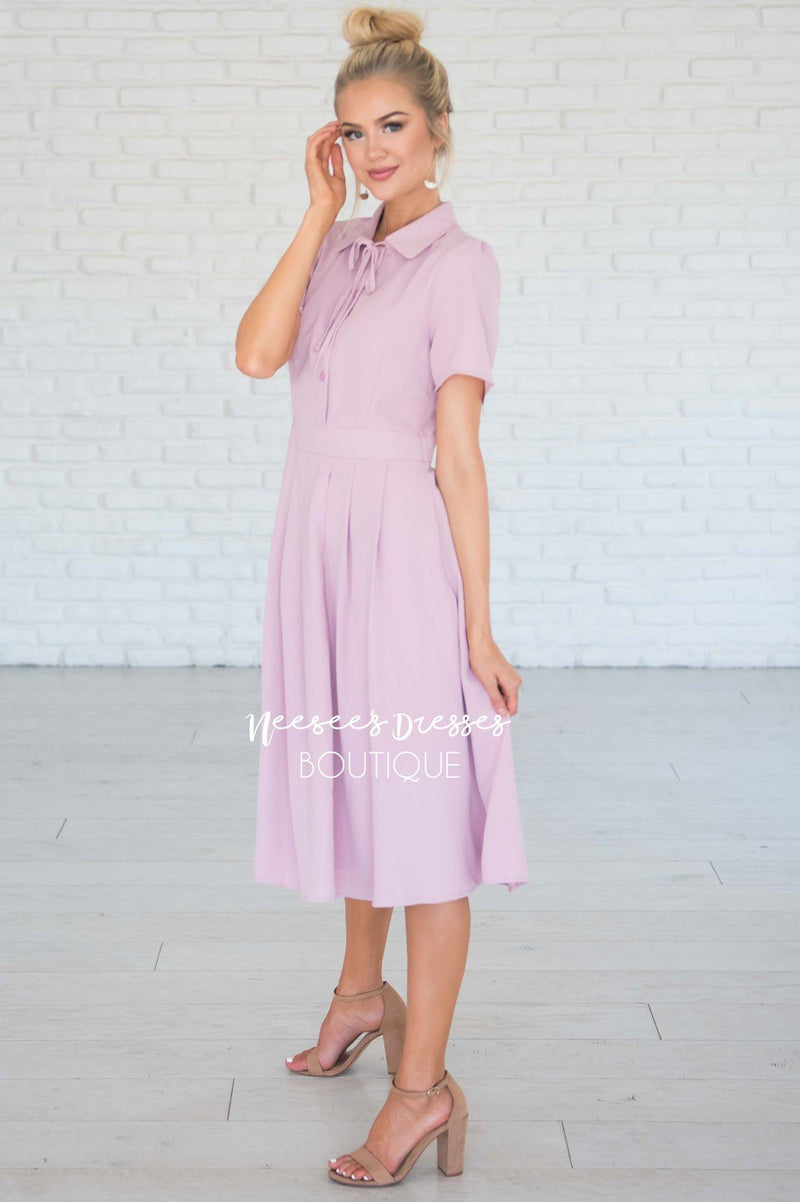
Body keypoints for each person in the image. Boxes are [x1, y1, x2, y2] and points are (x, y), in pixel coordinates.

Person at [236, 5, 529, 1187]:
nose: (372, 151)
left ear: (438, 128)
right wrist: (316, 214)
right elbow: (256, 354)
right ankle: (361, 989)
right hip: (312, 549)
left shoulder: (460, 266)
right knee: (353, 780)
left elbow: (457, 453)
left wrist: (478, 624)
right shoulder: (340, 249)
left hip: (397, 558)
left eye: (393, 125)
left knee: (416, 817)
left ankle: (422, 1092)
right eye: (353, 133)